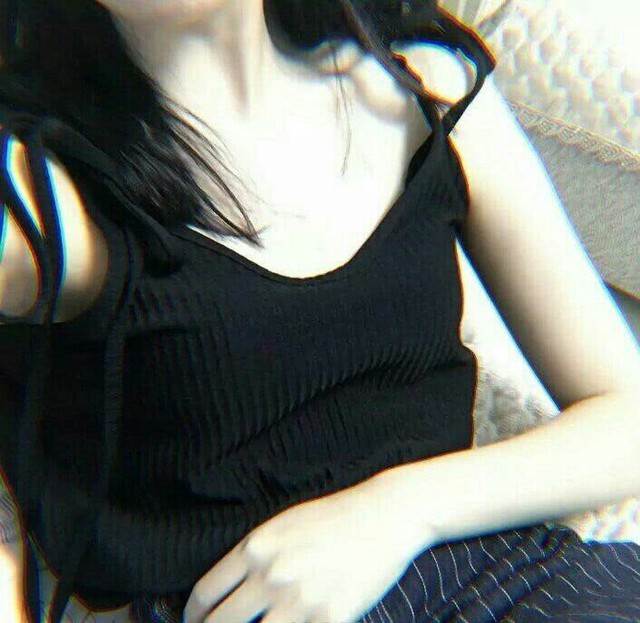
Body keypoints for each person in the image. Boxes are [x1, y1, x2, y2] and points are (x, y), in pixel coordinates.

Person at [1, 1, 639, 622]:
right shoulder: (38, 190)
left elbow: (626, 420)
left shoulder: (420, 81)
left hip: (499, 574)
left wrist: (397, 511)